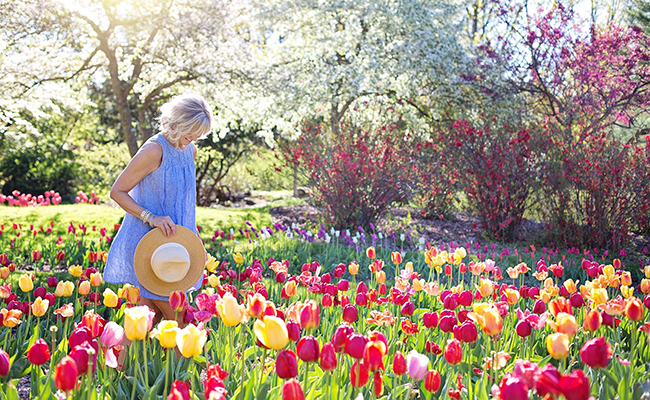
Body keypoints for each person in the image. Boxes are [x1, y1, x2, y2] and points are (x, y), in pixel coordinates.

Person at [104, 93, 213, 325]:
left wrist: (195, 241)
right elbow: (117, 192)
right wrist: (150, 217)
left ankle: (113, 362)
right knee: (181, 319)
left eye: (197, 136)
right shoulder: (154, 151)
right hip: (152, 246)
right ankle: (195, 362)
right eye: (189, 134)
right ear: (176, 124)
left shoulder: (190, 151)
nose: (191, 141)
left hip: (176, 246)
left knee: (144, 321)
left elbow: (185, 205)